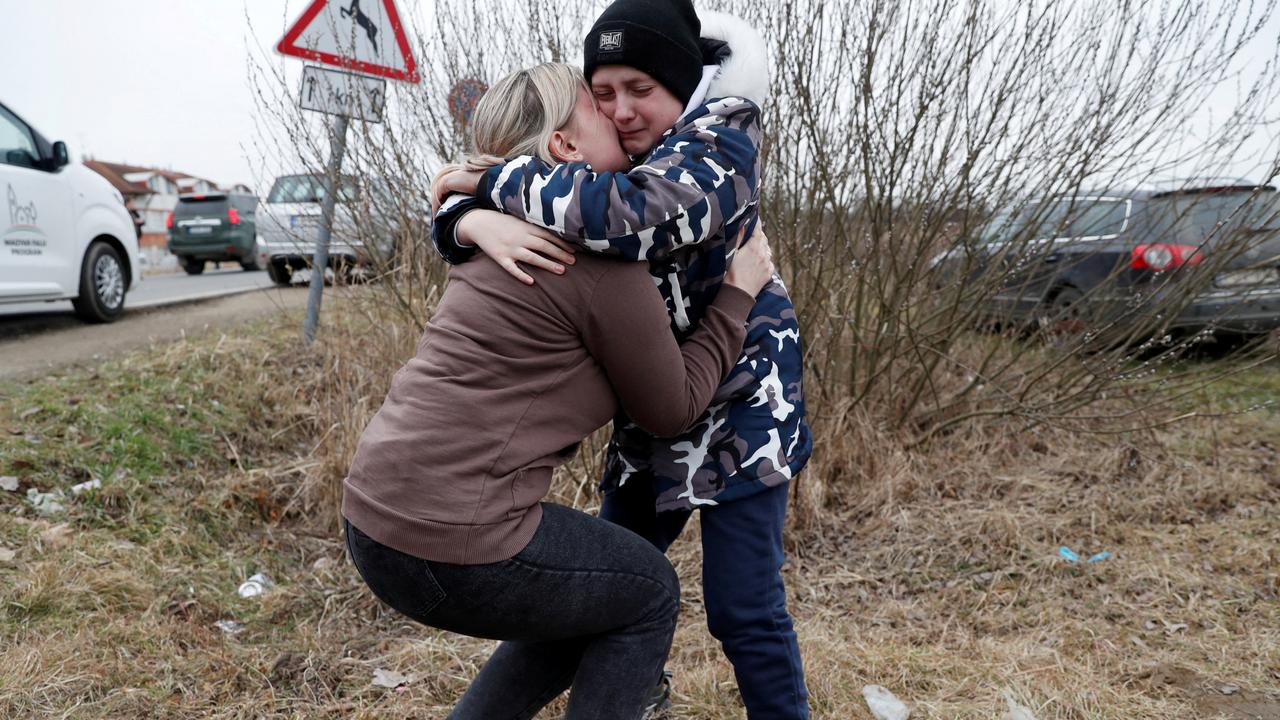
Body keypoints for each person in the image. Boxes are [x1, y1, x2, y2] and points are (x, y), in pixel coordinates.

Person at [343, 62, 777, 720]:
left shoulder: (495, 231)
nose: (623, 119)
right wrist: (737, 298)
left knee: (590, 603)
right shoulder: (594, 261)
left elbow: (457, 207)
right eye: (600, 109)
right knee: (649, 592)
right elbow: (673, 410)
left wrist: (464, 218)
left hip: (373, 519)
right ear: (566, 147)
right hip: (454, 539)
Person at [431, 1, 812, 716]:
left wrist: (484, 185)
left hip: (743, 414)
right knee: (592, 594)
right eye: (604, 93)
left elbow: (628, 216)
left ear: (683, 84)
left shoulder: (717, 146)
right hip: (658, 410)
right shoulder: (606, 157)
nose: (623, 110)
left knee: (744, 611)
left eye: (642, 89)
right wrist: (464, 220)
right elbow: (547, 200)